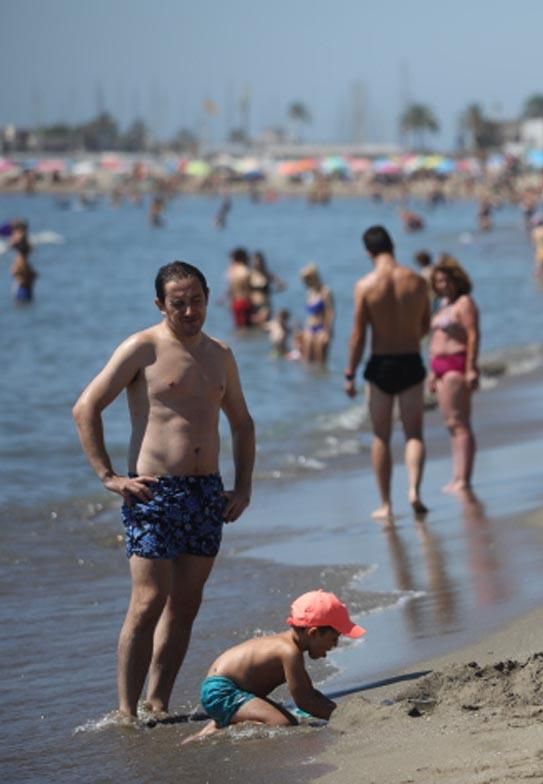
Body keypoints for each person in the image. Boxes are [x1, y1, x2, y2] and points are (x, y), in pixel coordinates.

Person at [72, 260, 255, 720]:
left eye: (196, 300)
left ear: (208, 298)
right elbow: (86, 408)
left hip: (206, 493)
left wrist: (243, 487)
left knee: (185, 605)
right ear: (160, 304)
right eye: (178, 303)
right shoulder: (143, 348)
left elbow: (242, 424)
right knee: (148, 601)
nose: (190, 311)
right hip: (153, 493)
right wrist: (108, 476)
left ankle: (158, 704)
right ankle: (126, 712)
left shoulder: (220, 354)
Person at [183, 591, 364, 743]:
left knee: (288, 718)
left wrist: (339, 709)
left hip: (229, 689)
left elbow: (308, 692)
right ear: (314, 633)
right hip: (222, 691)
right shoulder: (289, 651)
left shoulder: (289, 646)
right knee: (283, 723)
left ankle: (209, 732)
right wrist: (345, 717)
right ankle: (221, 733)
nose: (335, 645)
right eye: (334, 638)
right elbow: (305, 701)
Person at [344, 225, 432, 516]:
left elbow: (358, 335)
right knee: (414, 433)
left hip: (381, 365)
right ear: (393, 246)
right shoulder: (418, 281)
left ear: (368, 252)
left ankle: (385, 504)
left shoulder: (365, 286)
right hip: (411, 360)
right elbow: (425, 326)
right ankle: (414, 491)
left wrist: (350, 373)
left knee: (381, 436)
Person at [428, 255, 481, 493]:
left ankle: (464, 478)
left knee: (460, 423)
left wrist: (471, 367)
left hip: (456, 364)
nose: (442, 285)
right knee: (450, 424)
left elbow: (473, 335)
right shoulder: (441, 305)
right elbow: (434, 338)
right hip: (438, 366)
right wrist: (431, 372)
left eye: (446, 280)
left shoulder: (464, 303)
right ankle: (456, 475)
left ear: (456, 280)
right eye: (438, 281)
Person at [296, 263, 334, 365]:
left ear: (313, 278)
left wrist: (328, 332)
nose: (305, 283)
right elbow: (310, 315)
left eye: (306, 280)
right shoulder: (310, 292)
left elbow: (330, 313)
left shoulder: (325, 291)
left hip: (322, 329)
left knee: (321, 362)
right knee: (307, 362)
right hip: (310, 328)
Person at [248, 251, 285, 325]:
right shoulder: (250, 275)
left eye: (259, 262)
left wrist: (272, 290)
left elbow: (282, 285)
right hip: (253, 304)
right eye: (256, 262)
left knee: (264, 323)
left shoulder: (267, 274)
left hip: (265, 304)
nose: (258, 264)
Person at [8, 219, 36, 303]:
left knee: (21, 298)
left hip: (22, 267)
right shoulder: (24, 238)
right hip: (23, 267)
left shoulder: (20, 237)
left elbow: (12, 244)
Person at [225, 248, 254, 329]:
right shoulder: (245, 271)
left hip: (235, 302)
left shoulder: (231, 271)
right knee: (247, 327)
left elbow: (230, 288)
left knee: (238, 327)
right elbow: (249, 289)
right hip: (245, 301)